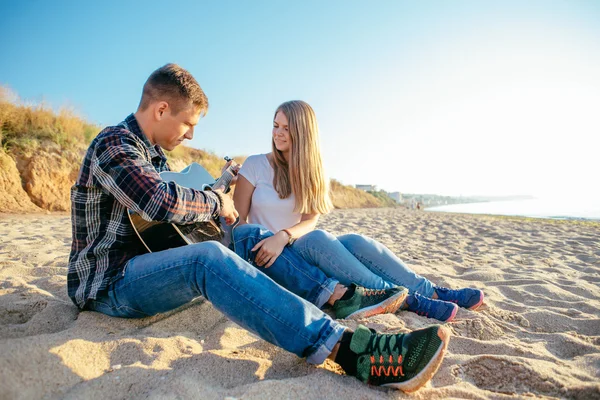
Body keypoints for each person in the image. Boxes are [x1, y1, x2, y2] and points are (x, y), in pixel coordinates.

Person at [67, 64, 451, 392]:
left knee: (248, 235)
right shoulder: (114, 145)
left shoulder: (151, 156)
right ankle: (350, 351)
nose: (191, 135)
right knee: (207, 257)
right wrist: (219, 201)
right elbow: (159, 202)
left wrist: (219, 189)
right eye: (188, 123)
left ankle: (337, 297)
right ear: (162, 109)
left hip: (148, 268)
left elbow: (166, 214)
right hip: (108, 284)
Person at [232, 100, 485, 323]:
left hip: (292, 243)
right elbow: (238, 223)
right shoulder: (255, 165)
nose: (278, 133)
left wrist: (284, 236)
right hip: (271, 257)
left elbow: (310, 219)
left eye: (287, 128)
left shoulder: (309, 171)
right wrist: (271, 240)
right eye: (276, 125)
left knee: (354, 241)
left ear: (303, 132)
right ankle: (405, 299)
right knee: (319, 239)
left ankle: (430, 291)